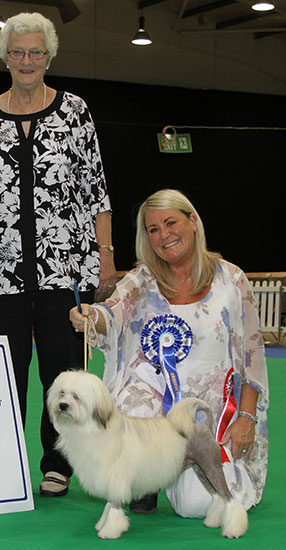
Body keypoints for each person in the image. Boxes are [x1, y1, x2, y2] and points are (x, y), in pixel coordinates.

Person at [0, 12, 115, 497]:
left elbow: (96, 189)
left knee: (62, 375)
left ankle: (58, 461)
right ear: (5, 57)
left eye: (35, 52)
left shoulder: (75, 111)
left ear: (49, 57)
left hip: (63, 272)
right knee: (0, 372)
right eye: (17, 52)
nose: (26, 60)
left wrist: (105, 255)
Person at [70, 188, 268, 517]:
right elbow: (111, 313)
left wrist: (246, 417)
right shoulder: (140, 280)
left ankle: (175, 478)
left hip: (209, 412)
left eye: (171, 223)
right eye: (153, 230)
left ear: (193, 221)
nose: (164, 235)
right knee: (131, 405)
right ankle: (144, 483)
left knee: (196, 506)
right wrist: (91, 316)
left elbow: (253, 354)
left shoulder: (232, 280)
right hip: (152, 407)